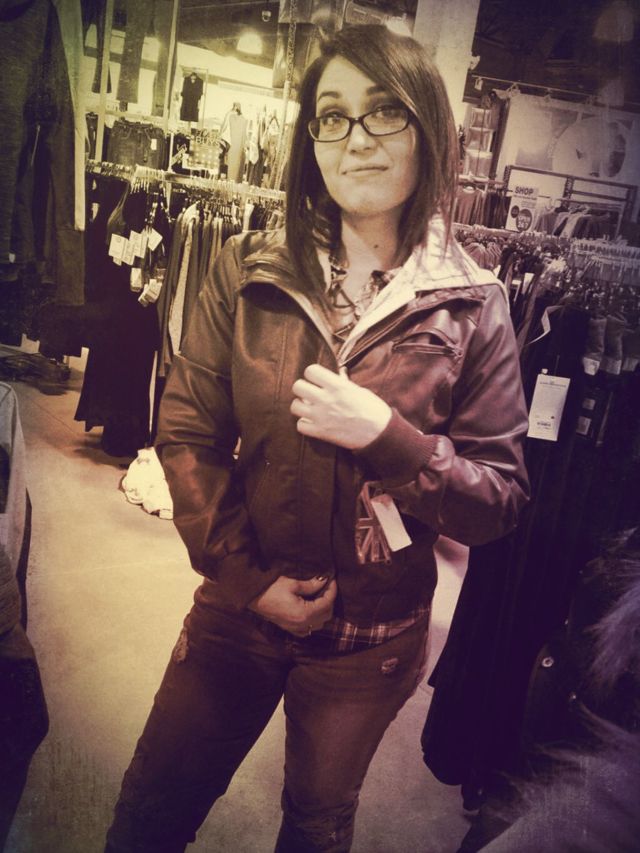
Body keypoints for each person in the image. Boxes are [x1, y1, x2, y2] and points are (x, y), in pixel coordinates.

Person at [105, 25, 530, 853]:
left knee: (317, 822)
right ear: (311, 140)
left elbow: (499, 499)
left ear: (429, 131)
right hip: (240, 602)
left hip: (373, 635)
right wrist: (246, 575)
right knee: (152, 805)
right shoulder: (246, 267)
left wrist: (389, 439)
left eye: (384, 112)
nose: (355, 138)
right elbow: (185, 436)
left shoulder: (475, 303)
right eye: (332, 116)